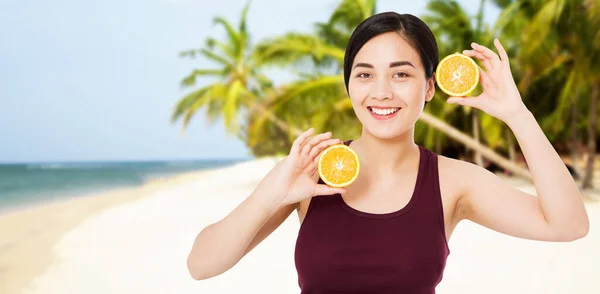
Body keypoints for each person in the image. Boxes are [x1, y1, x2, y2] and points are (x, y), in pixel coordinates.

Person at [186, 12, 589, 293]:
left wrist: (517, 115)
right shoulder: (311, 173)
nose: (381, 91)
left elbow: (568, 225)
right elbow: (201, 266)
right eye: (364, 74)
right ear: (349, 87)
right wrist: (271, 194)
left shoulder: (453, 182)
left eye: (401, 74)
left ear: (429, 87)